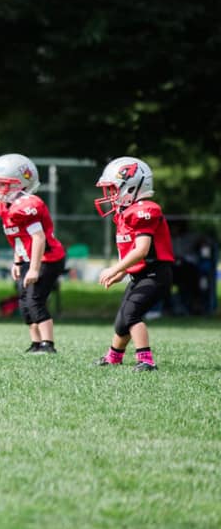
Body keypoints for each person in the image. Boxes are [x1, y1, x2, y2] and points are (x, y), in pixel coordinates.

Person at [93, 157, 173, 371]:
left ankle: (146, 360)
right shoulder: (126, 213)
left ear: (132, 186)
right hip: (141, 274)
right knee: (121, 321)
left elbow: (142, 250)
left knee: (131, 315)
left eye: (113, 189)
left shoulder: (145, 210)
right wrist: (122, 273)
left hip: (155, 274)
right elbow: (129, 251)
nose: (110, 195)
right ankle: (113, 357)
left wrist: (115, 268)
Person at [0, 154, 66, 353]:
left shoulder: (27, 206)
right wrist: (17, 262)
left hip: (47, 258)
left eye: (0, 183)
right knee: (23, 301)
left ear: (18, 185)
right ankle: (36, 343)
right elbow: (18, 237)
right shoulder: (4, 205)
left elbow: (38, 238)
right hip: (29, 257)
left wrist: (34, 269)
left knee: (34, 299)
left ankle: (48, 344)